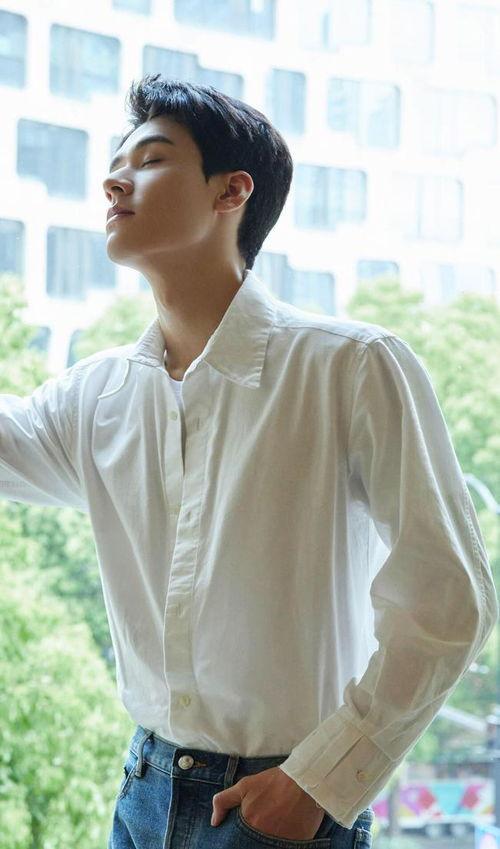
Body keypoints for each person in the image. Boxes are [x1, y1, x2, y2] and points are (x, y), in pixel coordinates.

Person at [1, 75, 497, 849]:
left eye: (151, 160)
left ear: (231, 191)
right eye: (116, 164)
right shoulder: (96, 394)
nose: (113, 181)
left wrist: (320, 780)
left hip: (279, 806)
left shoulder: (351, 366)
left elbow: (447, 598)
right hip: (141, 792)